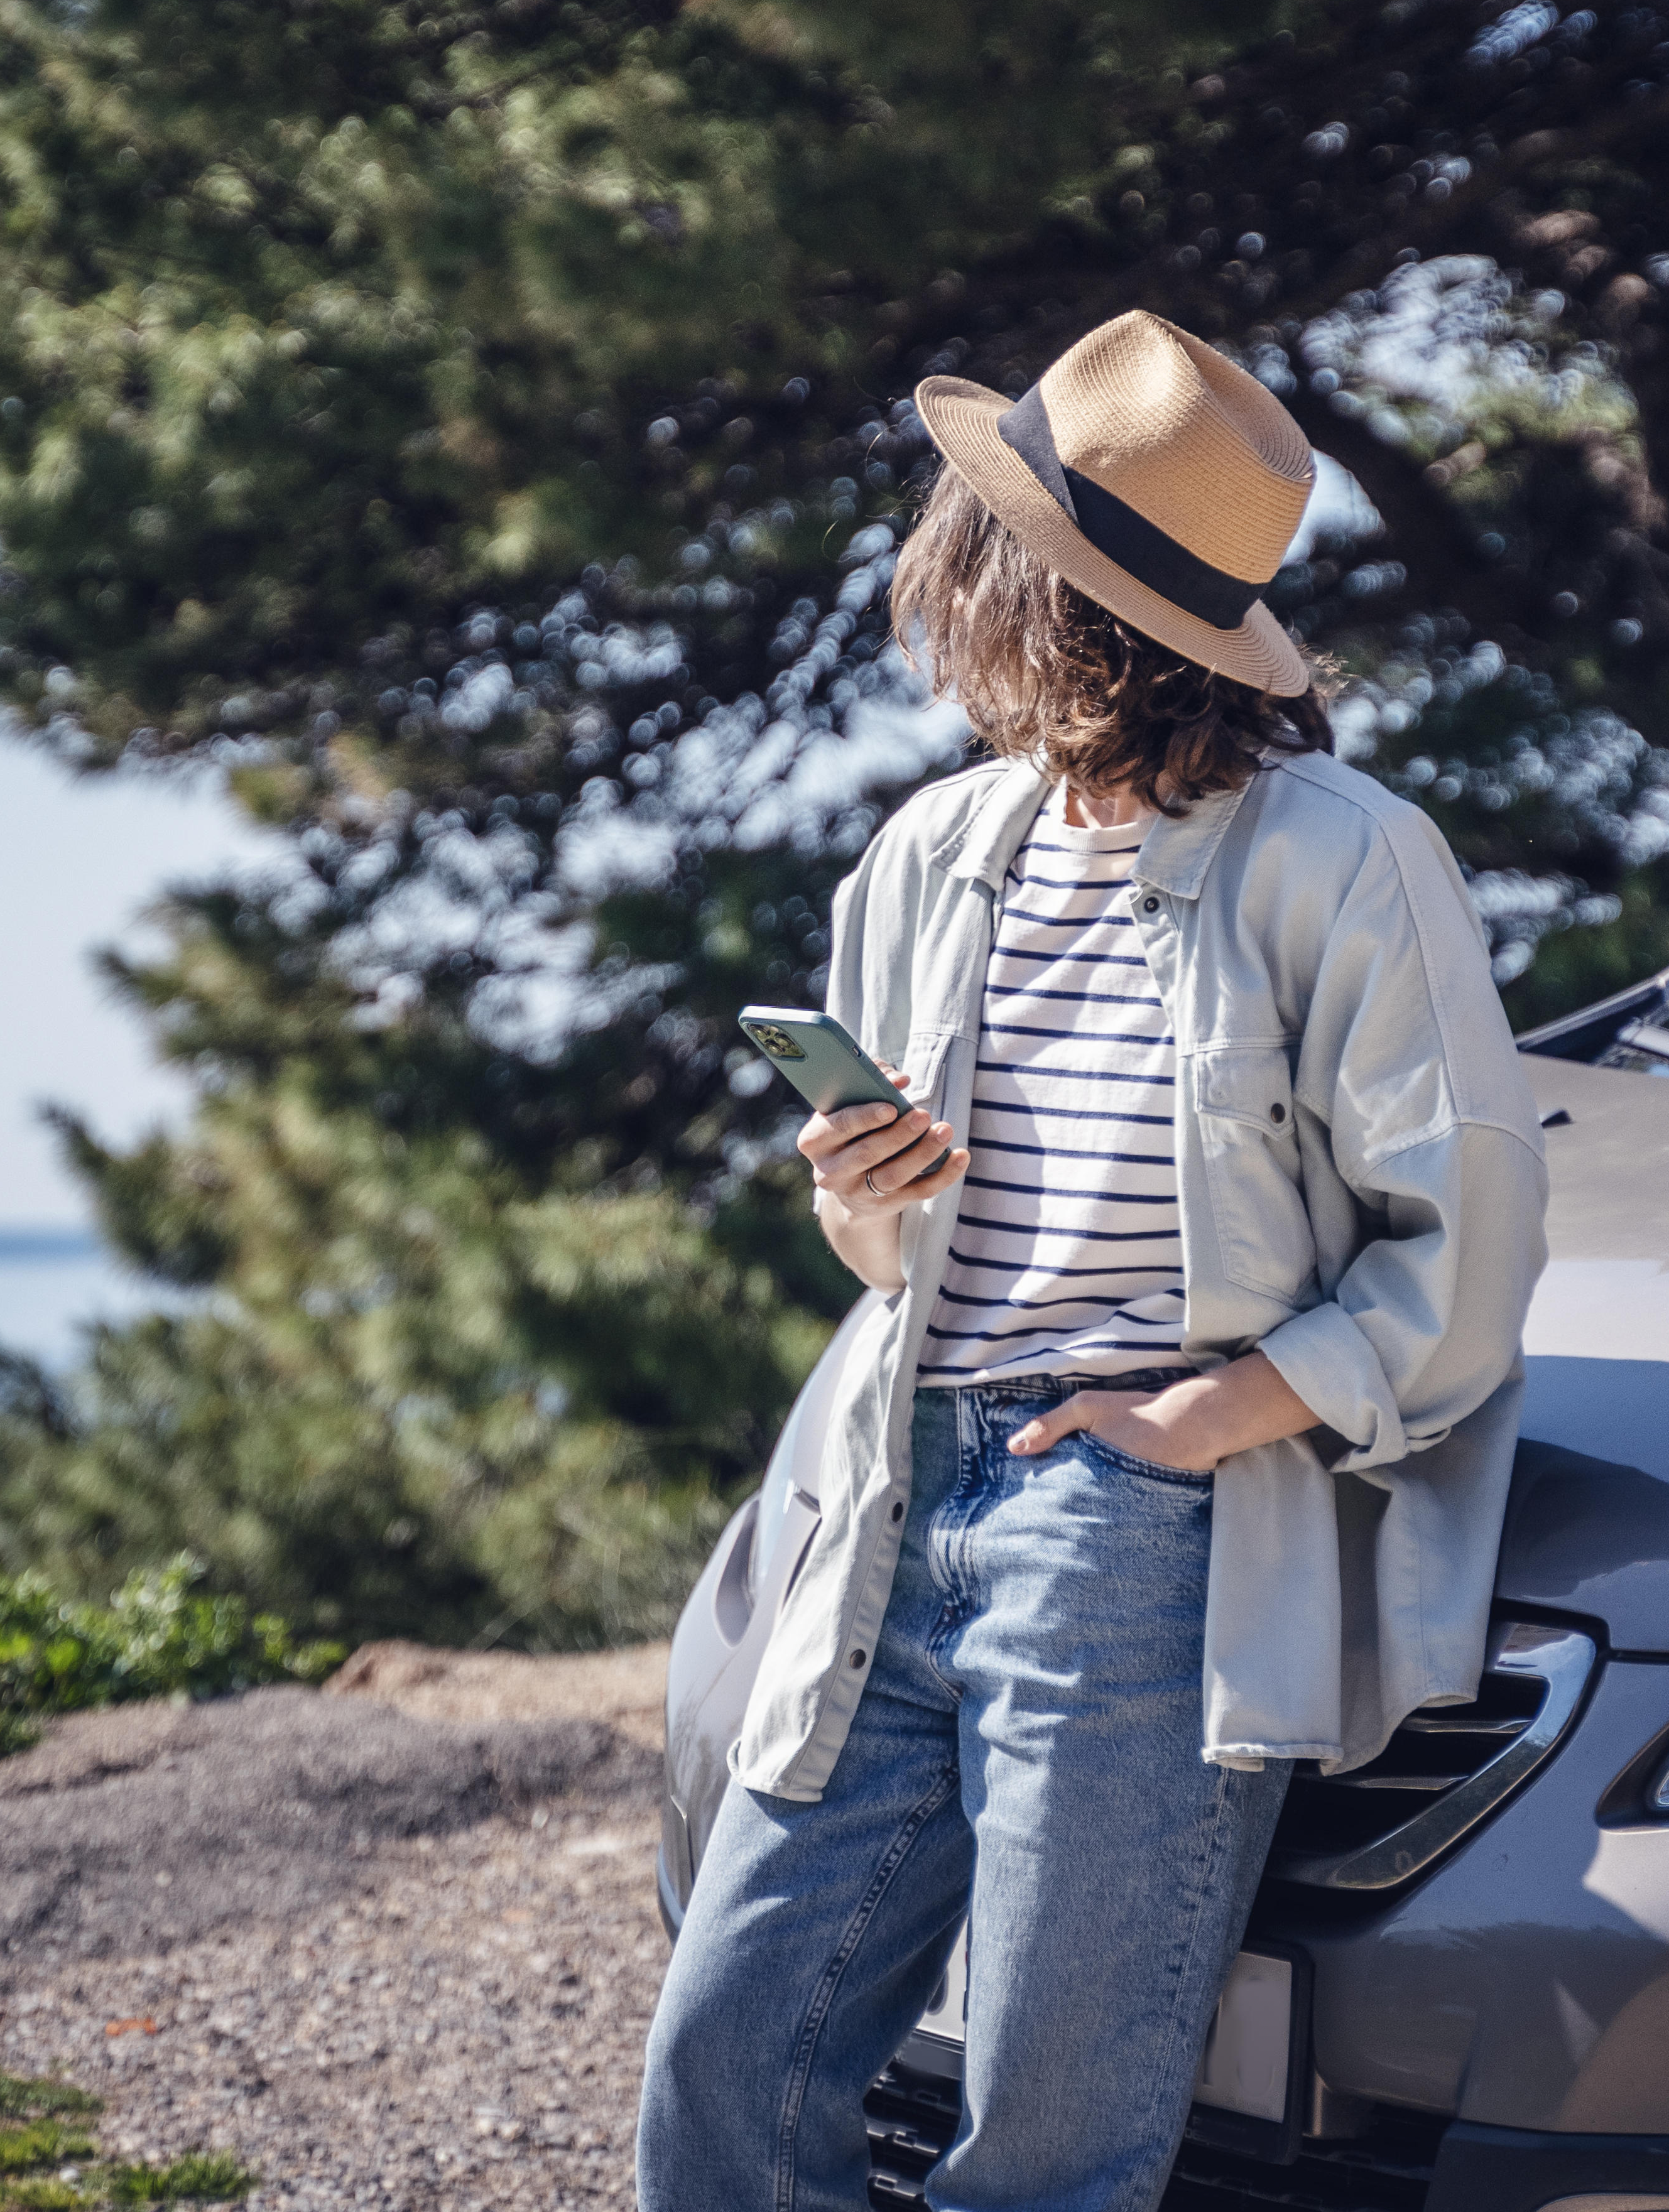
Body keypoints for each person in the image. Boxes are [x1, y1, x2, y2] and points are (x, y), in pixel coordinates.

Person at [636, 310, 1555, 2209]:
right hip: (897, 1487)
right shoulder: (929, 851)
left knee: (1048, 2149)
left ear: (1026, 590)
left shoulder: (1345, 858)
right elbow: (888, 1256)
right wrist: (859, 1186)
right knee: (726, 2075)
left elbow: (1463, 1249)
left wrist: (1205, 1422)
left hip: (1136, 1533)